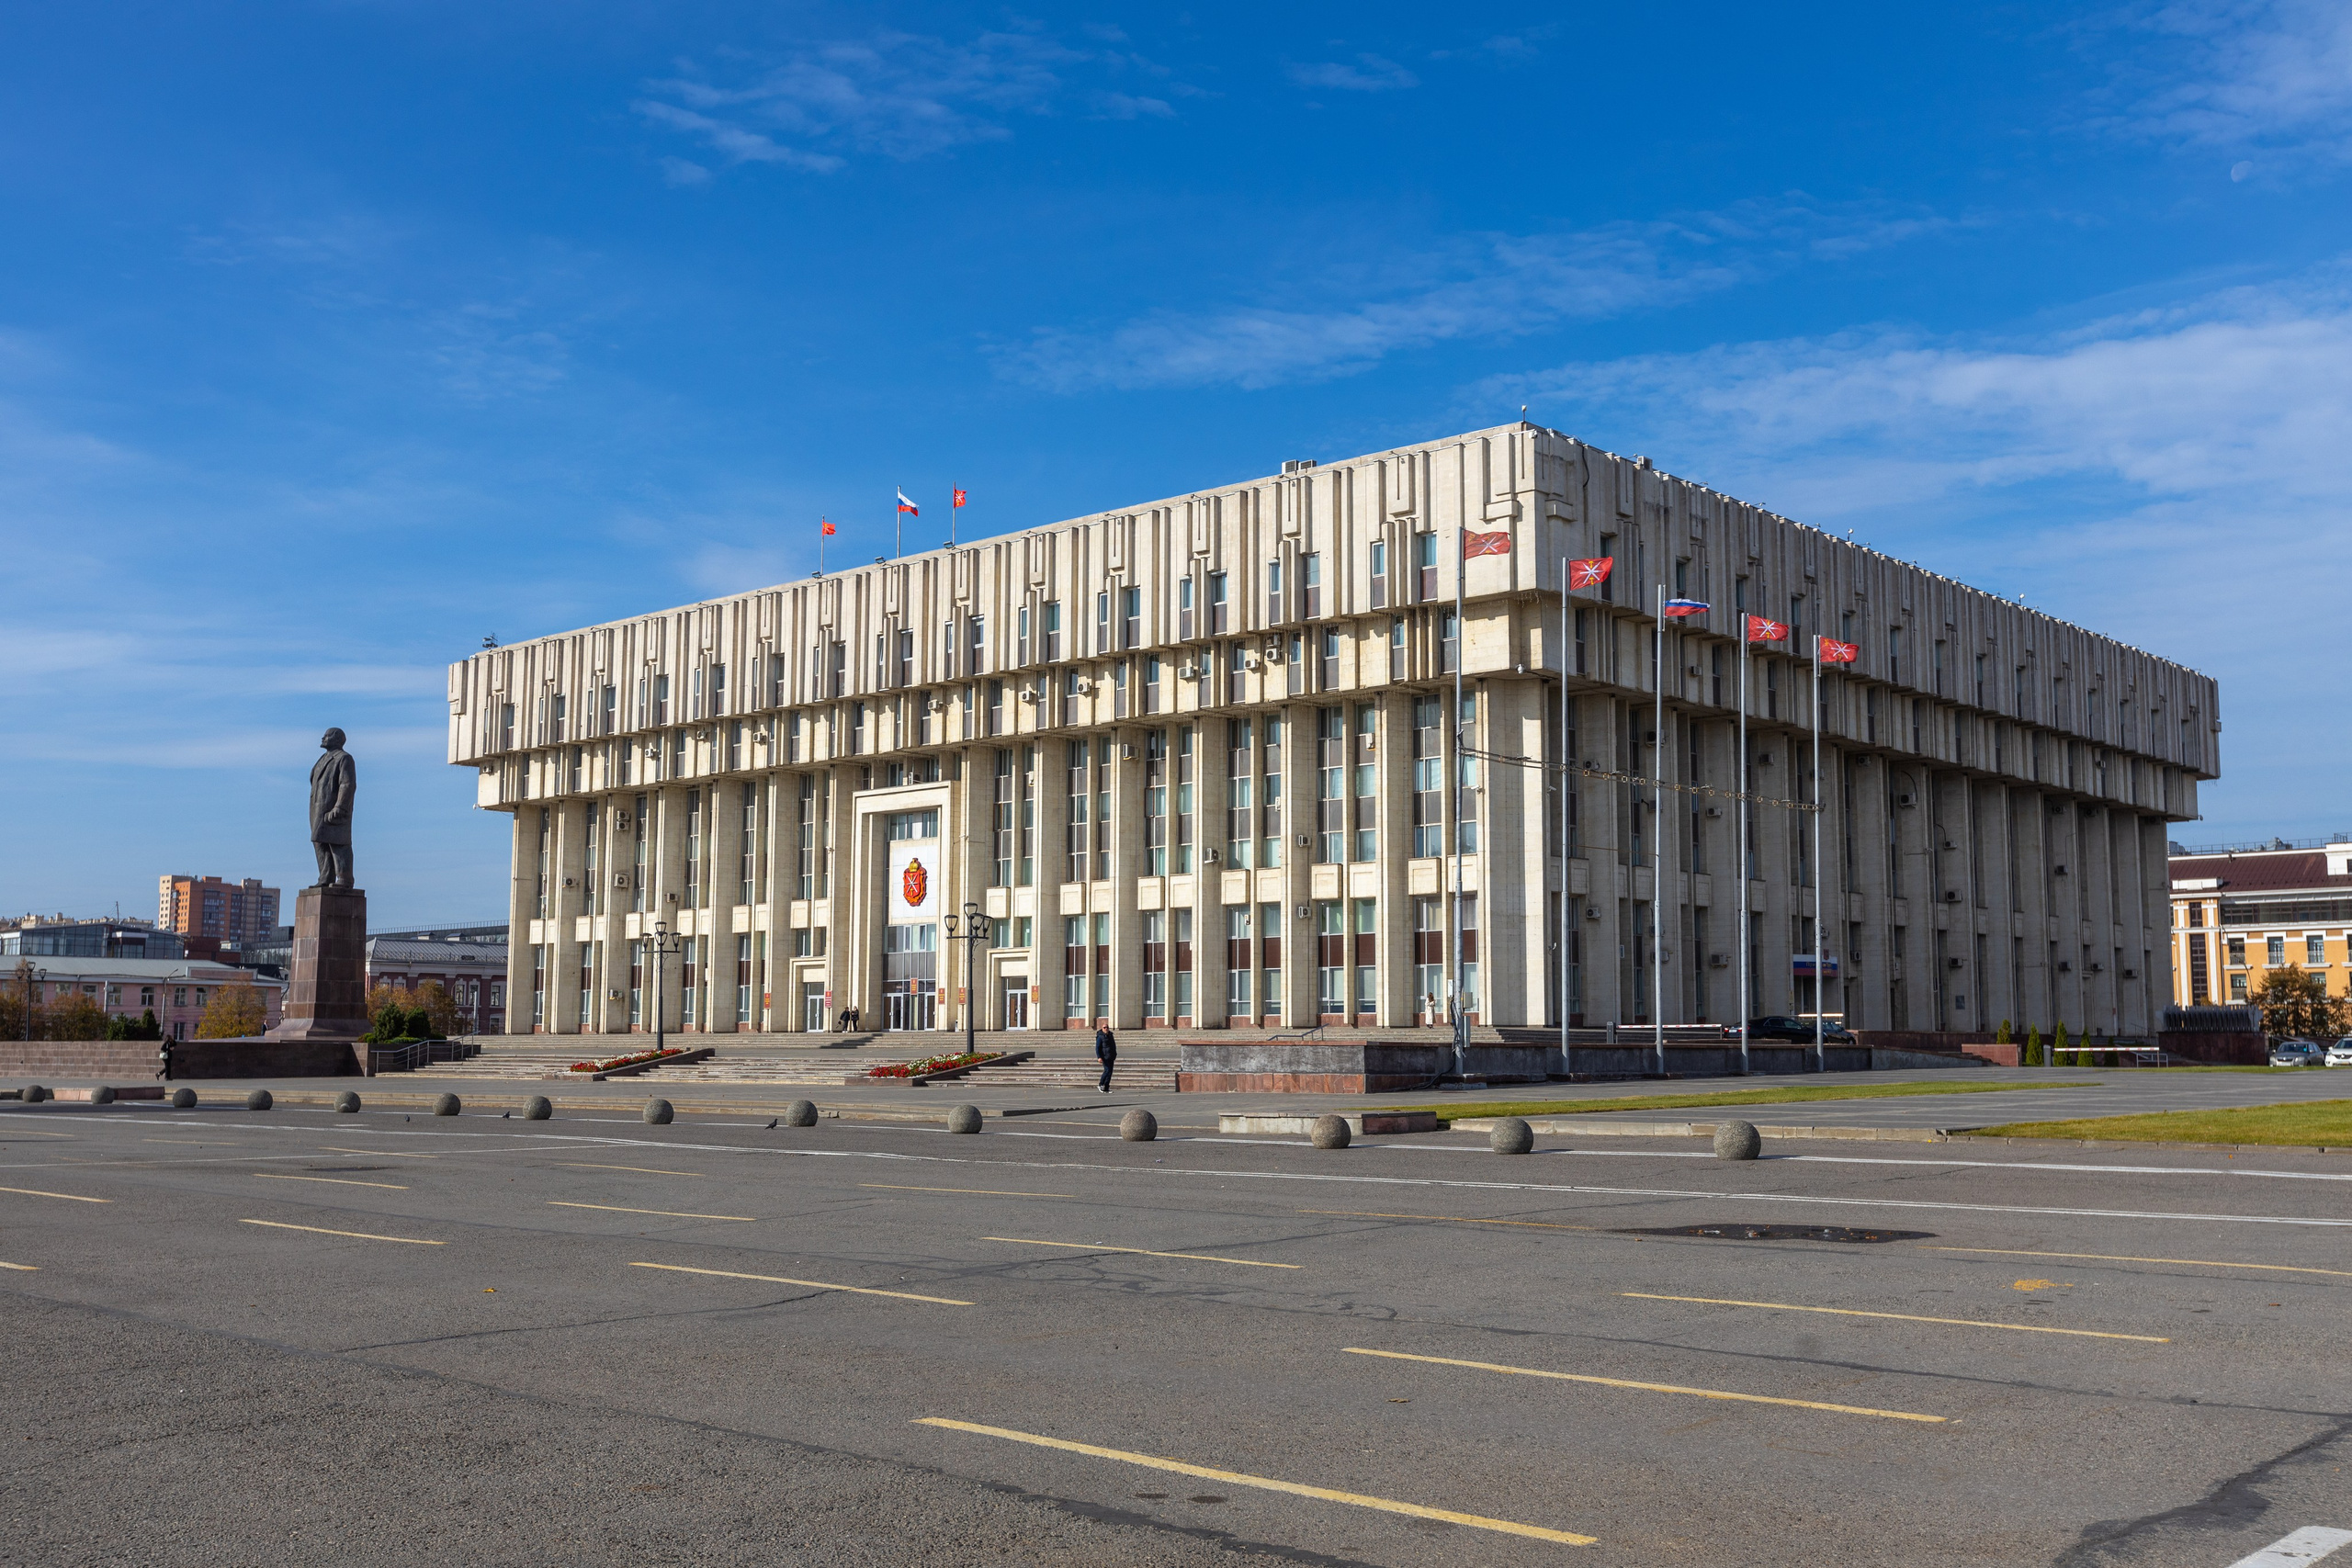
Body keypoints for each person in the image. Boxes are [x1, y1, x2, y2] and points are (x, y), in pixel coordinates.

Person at [1094, 1021, 1117, 1093]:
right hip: (1104, 1057)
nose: (1106, 1029)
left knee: (1110, 1072)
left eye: (1107, 1027)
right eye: (1104, 1027)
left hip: (1111, 1056)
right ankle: (1101, 1084)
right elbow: (1097, 1048)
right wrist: (1099, 1057)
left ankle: (1106, 1087)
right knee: (1107, 1070)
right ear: (1102, 1028)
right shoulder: (1100, 1036)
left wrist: (1115, 1054)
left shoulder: (1110, 1035)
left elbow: (1113, 1045)